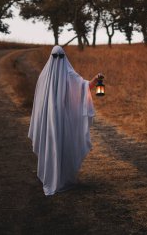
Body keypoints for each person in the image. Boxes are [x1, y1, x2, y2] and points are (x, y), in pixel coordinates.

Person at [28, 45, 102, 196]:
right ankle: (50, 176)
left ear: (64, 58)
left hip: (64, 119)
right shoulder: (44, 77)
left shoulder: (68, 74)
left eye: (60, 57)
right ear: (51, 58)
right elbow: (40, 101)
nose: (58, 60)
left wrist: (96, 80)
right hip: (48, 119)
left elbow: (84, 86)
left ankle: (62, 178)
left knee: (63, 146)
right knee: (51, 144)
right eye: (55, 57)